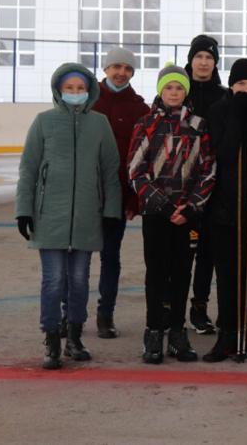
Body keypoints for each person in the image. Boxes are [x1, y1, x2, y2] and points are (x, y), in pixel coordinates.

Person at [16, 64, 121, 370]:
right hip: (50, 216)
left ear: (90, 91)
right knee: (53, 281)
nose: (75, 93)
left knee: (78, 280)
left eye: (80, 88)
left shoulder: (99, 124)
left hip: (87, 216)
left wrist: (111, 212)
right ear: (58, 90)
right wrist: (24, 209)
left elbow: (110, 171)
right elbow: (29, 168)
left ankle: (74, 337)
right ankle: (51, 339)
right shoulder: (43, 122)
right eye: (69, 88)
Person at [129, 62, 216, 364]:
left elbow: (208, 170)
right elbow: (136, 170)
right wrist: (164, 207)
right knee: (156, 273)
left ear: (186, 91)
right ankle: (154, 331)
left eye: (179, 87)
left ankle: (178, 332)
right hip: (157, 214)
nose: (174, 92)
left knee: (181, 273)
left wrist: (191, 207)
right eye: (169, 87)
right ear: (160, 91)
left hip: (186, 215)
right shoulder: (146, 124)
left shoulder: (198, 125)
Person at [202, 59, 247, 362]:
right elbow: (224, 153)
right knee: (226, 274)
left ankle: (244, 333)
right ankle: (226, 335)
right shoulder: (218, 111)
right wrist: (237, 116)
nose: (246, 90)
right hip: (223, 208)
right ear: (231, 86)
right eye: (240, 84)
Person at [90, 46, 150, 339]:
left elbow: (142, 158)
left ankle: (106, 315)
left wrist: (133, 199)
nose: (121, 73)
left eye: (127, 68)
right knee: (76, 259)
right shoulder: (89, 101)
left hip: (117, 197)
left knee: (110, 258)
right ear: (105, 69)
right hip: (85, 196)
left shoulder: (140, 109)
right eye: (116, 66)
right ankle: (69, 315)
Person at [184, 34, 228, 336]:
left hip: (213, 186)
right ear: (190, 61)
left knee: (207, 253)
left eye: (209, 57)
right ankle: (170, 307)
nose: (203, 62)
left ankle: (199, 307)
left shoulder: (224, 97)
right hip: (181, 187)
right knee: (179, 253)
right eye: (198, 56)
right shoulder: (178, 92)